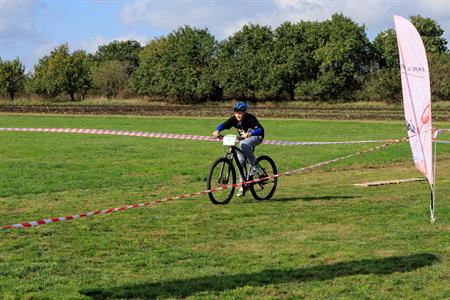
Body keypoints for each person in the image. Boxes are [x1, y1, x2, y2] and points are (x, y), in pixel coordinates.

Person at [212, 101, 264, 196]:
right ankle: (243, 186)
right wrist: (217, 130)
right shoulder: (234, 119)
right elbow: (223, 125)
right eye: (236, 113)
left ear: (244, 112)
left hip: (257, 137)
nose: (237, 115)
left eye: (240, 113)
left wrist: (250, 133)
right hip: (244, 140)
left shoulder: (250, 118)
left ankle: (255, 166)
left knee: (243, 144)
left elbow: (260, 130)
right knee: (240, 162)